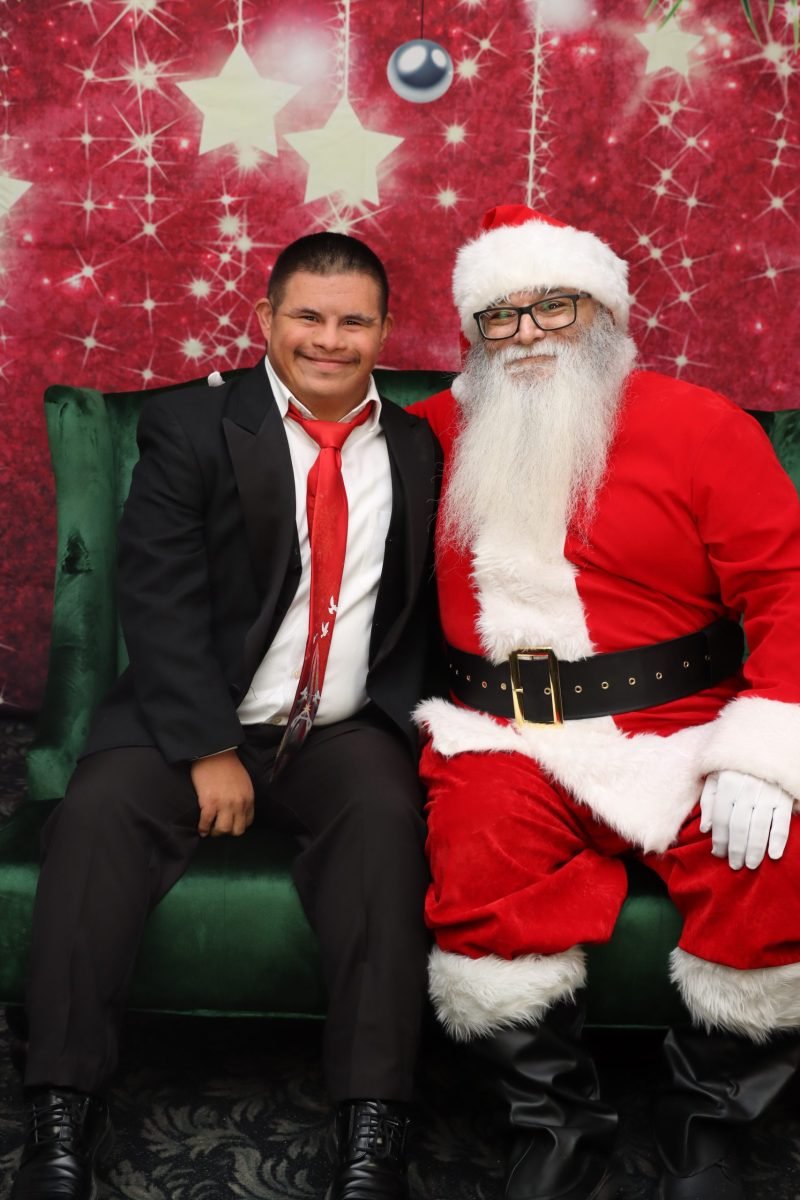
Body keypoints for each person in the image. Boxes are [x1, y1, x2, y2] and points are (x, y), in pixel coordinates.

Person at [11, 232, 441, 1200]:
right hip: (193, 716)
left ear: (383, 332)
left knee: (386, 823)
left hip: (339, 730)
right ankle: (59, 1110)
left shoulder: (417, 448)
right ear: (266, 318)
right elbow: (155, 595)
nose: (328, 339)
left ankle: (373, 1123)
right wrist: (208, 746)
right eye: (307, 316)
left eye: (353, 321)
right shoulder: (193, 426)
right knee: (94, 817)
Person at [409, 204, 800, 1200]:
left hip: (681, 727)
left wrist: (767, 746)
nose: (528, 332)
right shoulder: (428, 437)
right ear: (473, 334)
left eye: (555, 305)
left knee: (773, 860)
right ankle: (550, 1125)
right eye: (501, 315)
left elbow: (787, 585)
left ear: (607, 314)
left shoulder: (701, 425)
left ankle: (709, 1125)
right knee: (476, 853)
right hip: (501, 736)